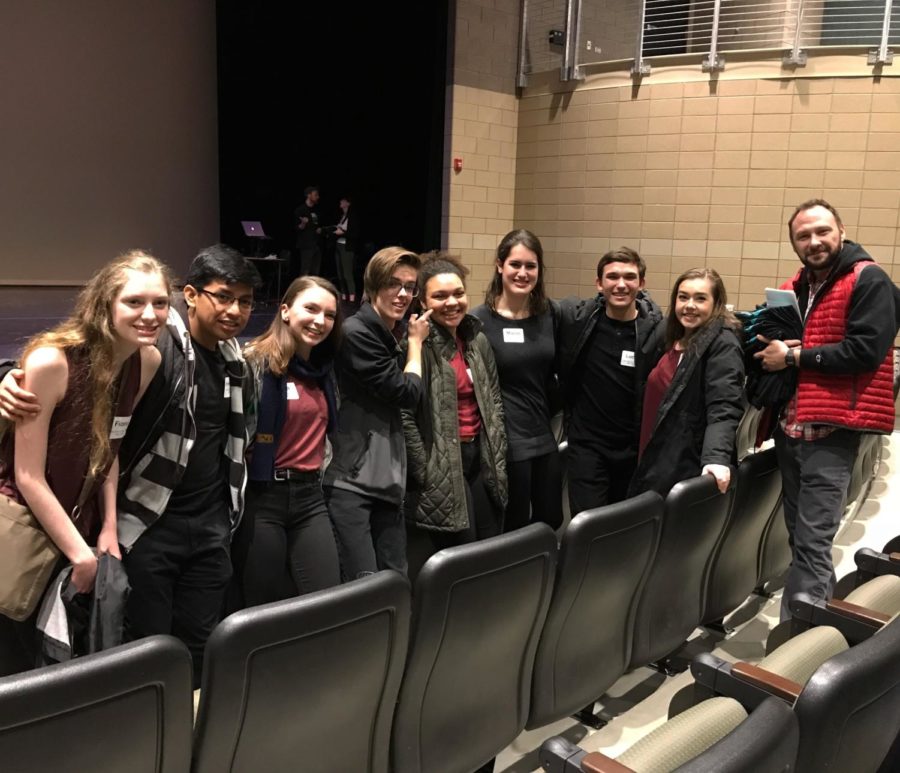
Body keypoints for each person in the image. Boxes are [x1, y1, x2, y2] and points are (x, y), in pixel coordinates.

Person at [0, 251, 171, 668]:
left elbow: (109, 449)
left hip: (78, 530)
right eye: (134, 302)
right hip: (23, 529)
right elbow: (27, 476)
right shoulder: (52, 363)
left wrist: (109, 526)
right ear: (104, 304)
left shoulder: (145, 362)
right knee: (13, 658)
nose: (150, 314)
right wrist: (80, 553)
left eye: (160, 303)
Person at [754, 199, 898, 620]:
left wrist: (796, 358)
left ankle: (801, 642)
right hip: (791, 425)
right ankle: (813, 623)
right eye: (803, 235)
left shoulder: (868, 280)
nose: (813, 241)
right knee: (801, 537)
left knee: (814, 540)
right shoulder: (798, 283)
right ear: (793, 242)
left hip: (832, 431)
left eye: (822, 231)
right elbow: (801, 336)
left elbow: (865, 351)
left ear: (841, 230)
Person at [323, 247, 431, 578]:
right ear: (373, 285)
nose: (402, 294)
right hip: (353, 482)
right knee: (363, 587)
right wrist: (415, 345)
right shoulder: (357, 332)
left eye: (410, 287)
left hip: (387, 480)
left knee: (396, 579)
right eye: (393, 284)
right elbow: (407, 392)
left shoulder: (390, 331)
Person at [241, 277, 342, 604]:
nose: (320, 321)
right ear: (285, 310)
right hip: (263, 496)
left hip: (310, 497)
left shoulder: (324, 370)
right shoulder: (253, 363)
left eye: (329, 315)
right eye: (311, 309)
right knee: (264, 604)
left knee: (325, 598)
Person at [403, 252, 507, 553]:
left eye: (458, 293)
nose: (452, 302)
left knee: (487, 545)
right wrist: (425, 469)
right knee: (463, 551)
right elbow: (405, 415)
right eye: (440, 296)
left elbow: (494, 399)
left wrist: (497, 447)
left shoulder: (476, 339)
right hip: (445, 462)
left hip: (482, 458)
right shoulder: (417, 345)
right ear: (423, 302)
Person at [557, 247, 663, 516]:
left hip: (631, 450)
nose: (621, 284)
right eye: (612, 277)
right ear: (599, 284)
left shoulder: (655, 331)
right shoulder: (578, 320)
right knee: (588, 527)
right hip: (587, 448)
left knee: (621, 529)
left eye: (629, 277)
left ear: (641, 284)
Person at [472, 229, 562, 532]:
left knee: (551, 518)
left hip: (544, 435)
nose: (523, 273)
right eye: (515, 264)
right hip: (506, 443)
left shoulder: (550, 315)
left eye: (531, 266)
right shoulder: (478, 321)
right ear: (500, 266)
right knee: (513, 525)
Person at [630, 268, 744, 497]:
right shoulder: (672, 336)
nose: (689, 305)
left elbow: (724, 405)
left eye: (700, 298)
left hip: (683, 459)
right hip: (656, 451)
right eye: (683, 297)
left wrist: (716, 458)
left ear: (716, 303)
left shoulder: (723, 343)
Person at [333, 195, 358, 303]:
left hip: (347, 246)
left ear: (348, 203)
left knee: (347, 273)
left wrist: (342, 233)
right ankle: (343, 294)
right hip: (338, 245)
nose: (341, 202)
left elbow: (354, 233)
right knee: (340, 272)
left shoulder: (353, 216)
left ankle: (352, 296)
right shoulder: (343, 216)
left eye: (343, 201)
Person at [294, 186, 323, 278]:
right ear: (308, 195)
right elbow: (297, 228)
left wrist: (319, 230)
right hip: (306, 245)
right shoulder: (300, 210)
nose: (317, 197)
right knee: (305, 272)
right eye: (315, 195)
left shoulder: (317, 210)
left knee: (315, 273)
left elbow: (316, 225)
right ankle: (301, 291)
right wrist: (303, 224)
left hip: (316, 245)